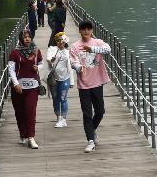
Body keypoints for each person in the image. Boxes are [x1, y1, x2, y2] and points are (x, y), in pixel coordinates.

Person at [69, 20, 111, 153]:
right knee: (87, 113)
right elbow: (73, 61)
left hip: (97, 82)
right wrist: (79, 67)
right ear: (80, 30)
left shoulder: (97, 42)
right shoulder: (75, 46)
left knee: (100, 111)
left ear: (92, 30)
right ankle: (90, 141)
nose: (86, 31)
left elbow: (108, 50)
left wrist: (92, 49)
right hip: (84, 85)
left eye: (88, 29)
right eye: (83, 29)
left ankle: (92, 130)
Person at [8, 29, 43, 149]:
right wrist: (16, 83)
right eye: (25, 37)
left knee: (30, 111)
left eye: (29, 36)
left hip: (33, 86)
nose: (27, 39)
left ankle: (31, 137)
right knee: (19, 112)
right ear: (21, 39)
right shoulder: (15, 52)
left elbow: (41, 63)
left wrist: (37, 67)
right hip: (18, 87)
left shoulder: (36, 51)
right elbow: (11, 69)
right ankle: (23, 134)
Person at [46, 32, 76, 128]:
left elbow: (70, 67)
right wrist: (52, 59)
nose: (60, 42)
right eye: (58, 41)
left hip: (65, 79)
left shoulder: (68, 52)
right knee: (55, 99)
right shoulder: (52, 49)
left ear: (65, 42)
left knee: (63, 98)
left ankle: (64, 119)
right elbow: (48, 59)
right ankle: (58, 117)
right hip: (54, 79)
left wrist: (72, 82)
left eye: (62, 41)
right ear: (55, 41)